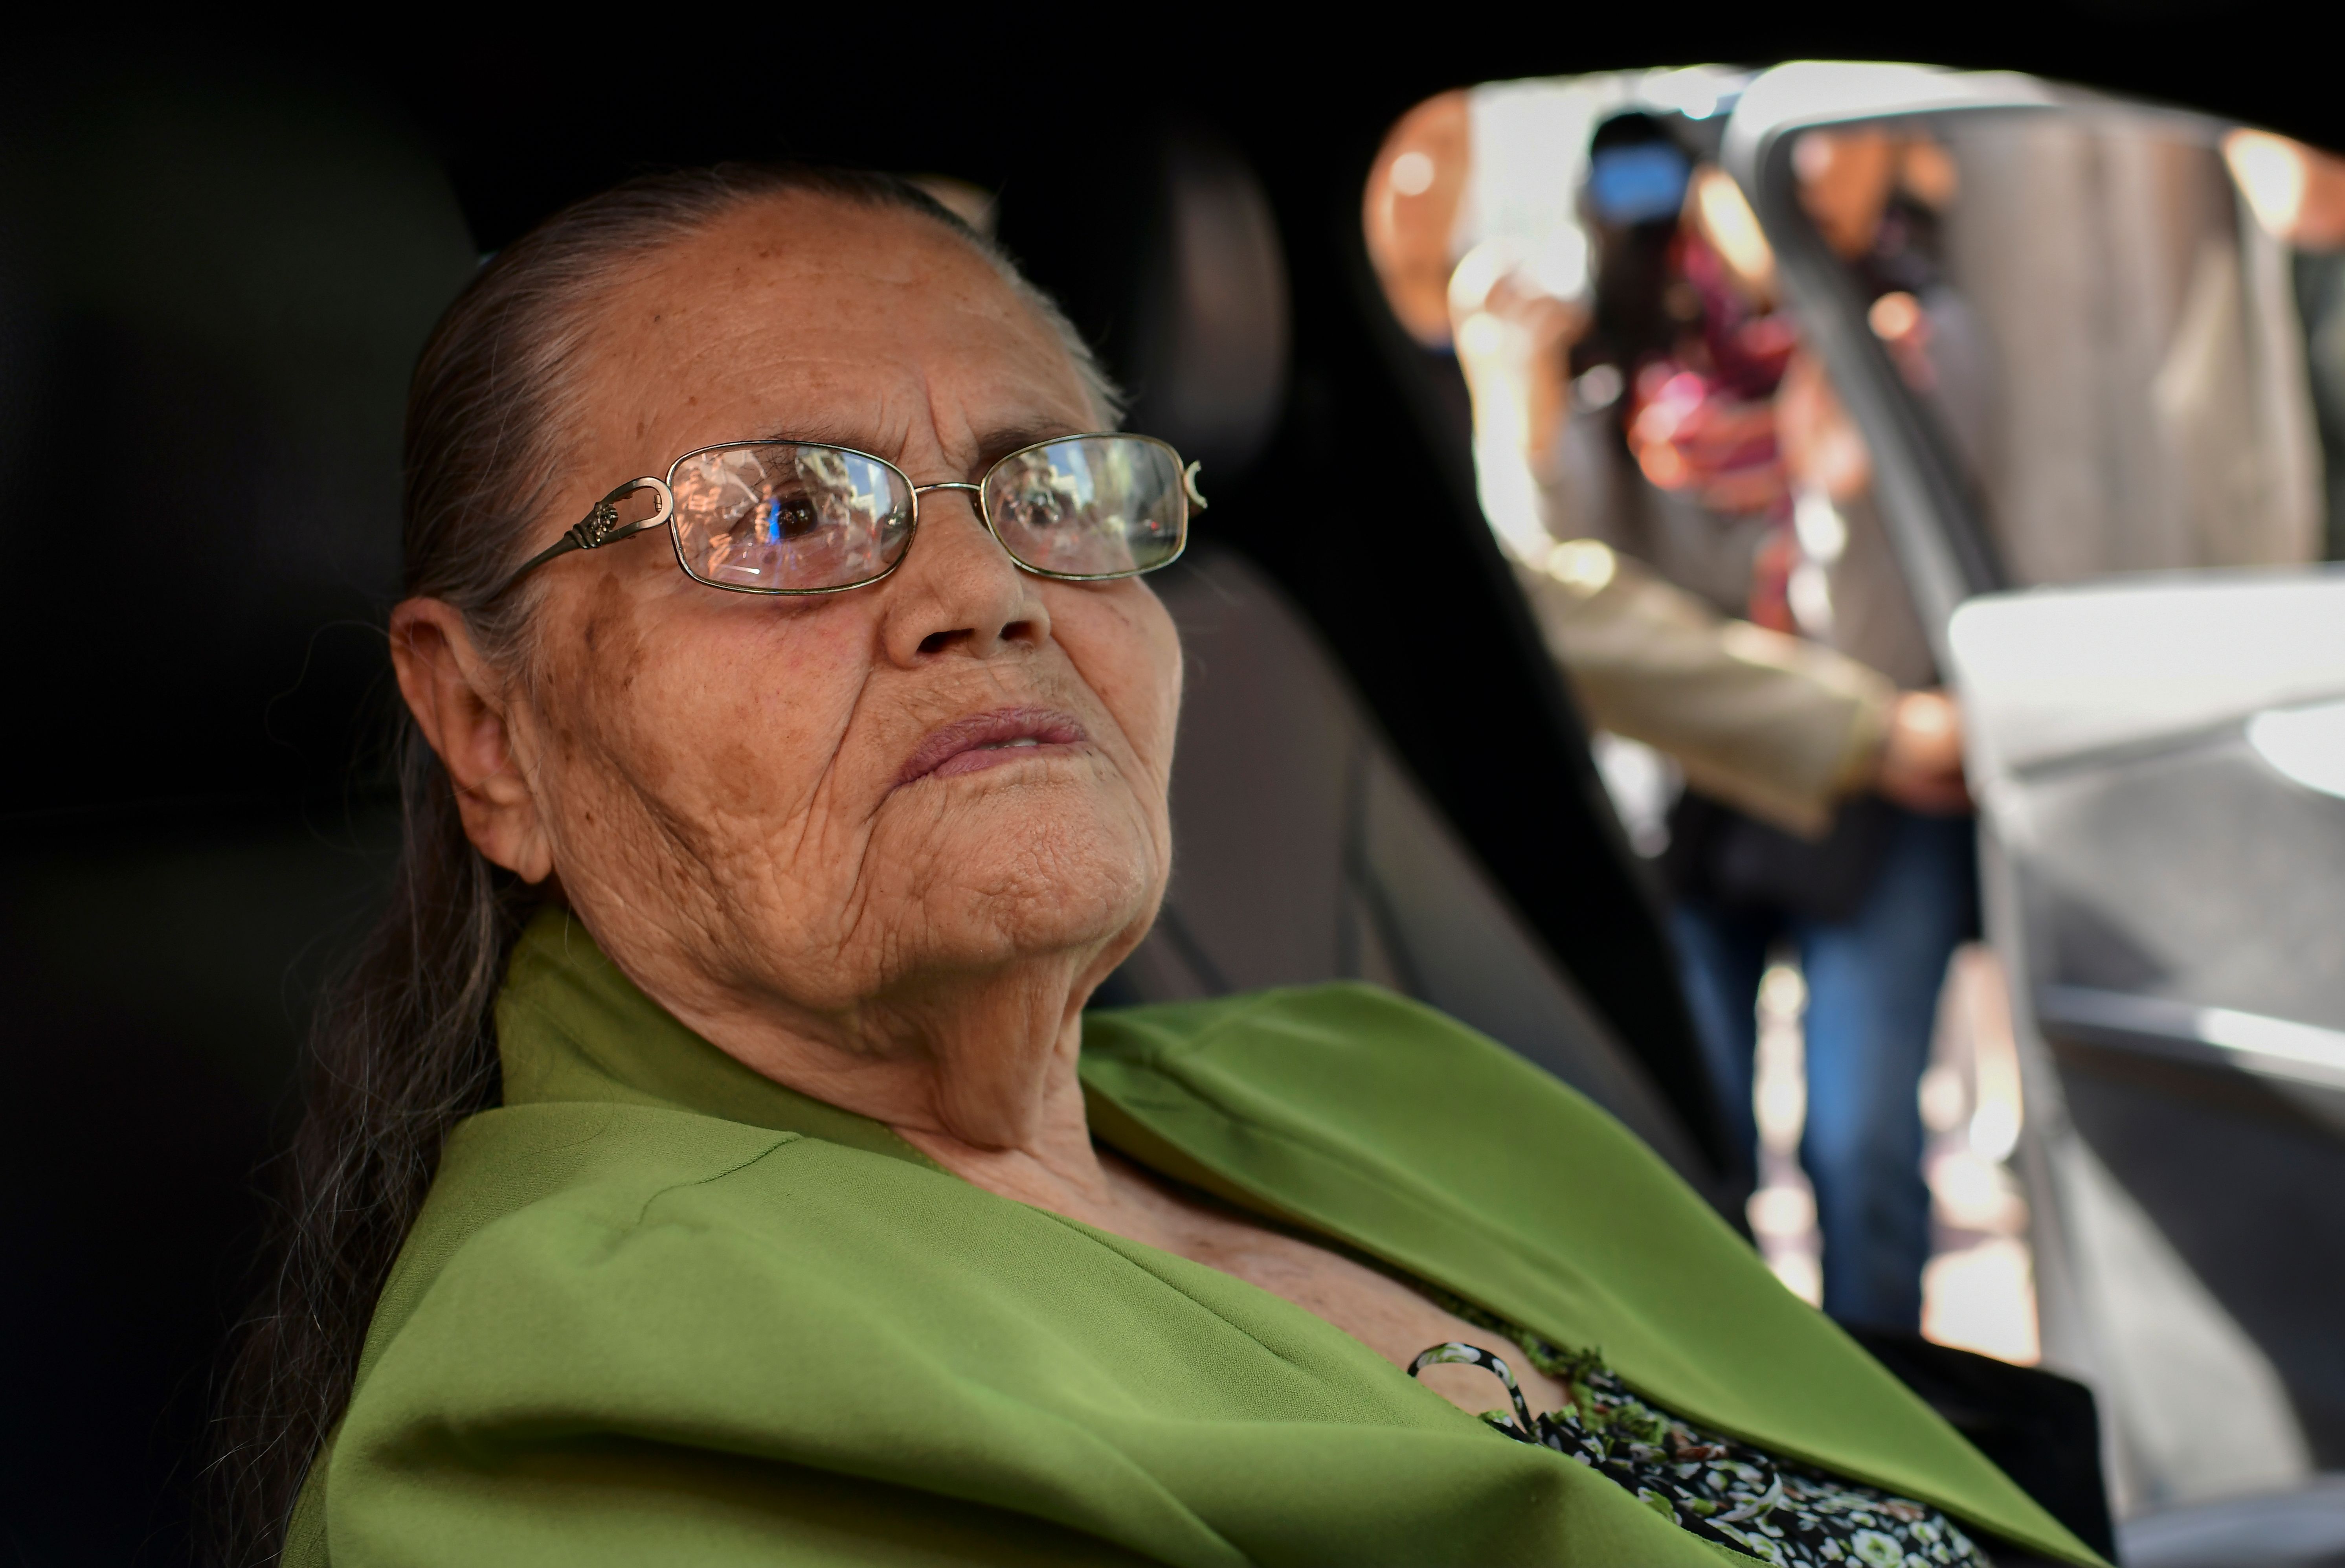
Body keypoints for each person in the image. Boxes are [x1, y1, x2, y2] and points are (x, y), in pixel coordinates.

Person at [214, 164, 2100, 1568]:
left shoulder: (1372, 1068)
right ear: (487, 732)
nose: (986, 593)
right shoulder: (571, 1421)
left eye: (1052, 492)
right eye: (780, 513)